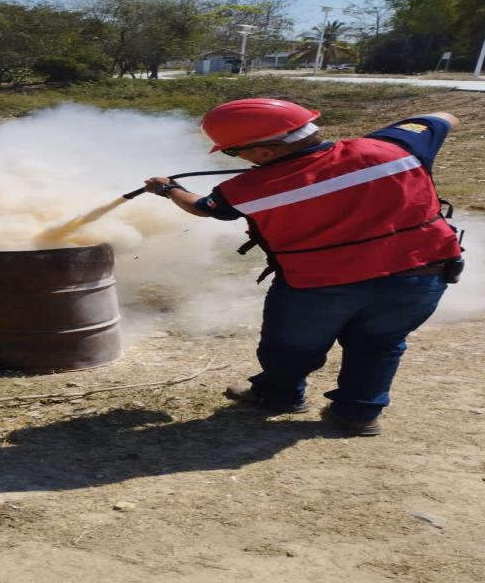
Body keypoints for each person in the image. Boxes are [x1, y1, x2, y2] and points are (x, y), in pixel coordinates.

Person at [145, 98, 463, 436]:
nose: (237, 159)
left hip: (319, 285)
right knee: (380, 345)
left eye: (234, 152)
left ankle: (277, 395)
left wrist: (169, 189)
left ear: (265, 152)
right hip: (419, 276)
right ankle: (358, 414)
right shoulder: (396, 148)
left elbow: (203, 207)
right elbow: (445, 117)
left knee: (291, 345)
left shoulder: (247, 189)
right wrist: (367, 148)